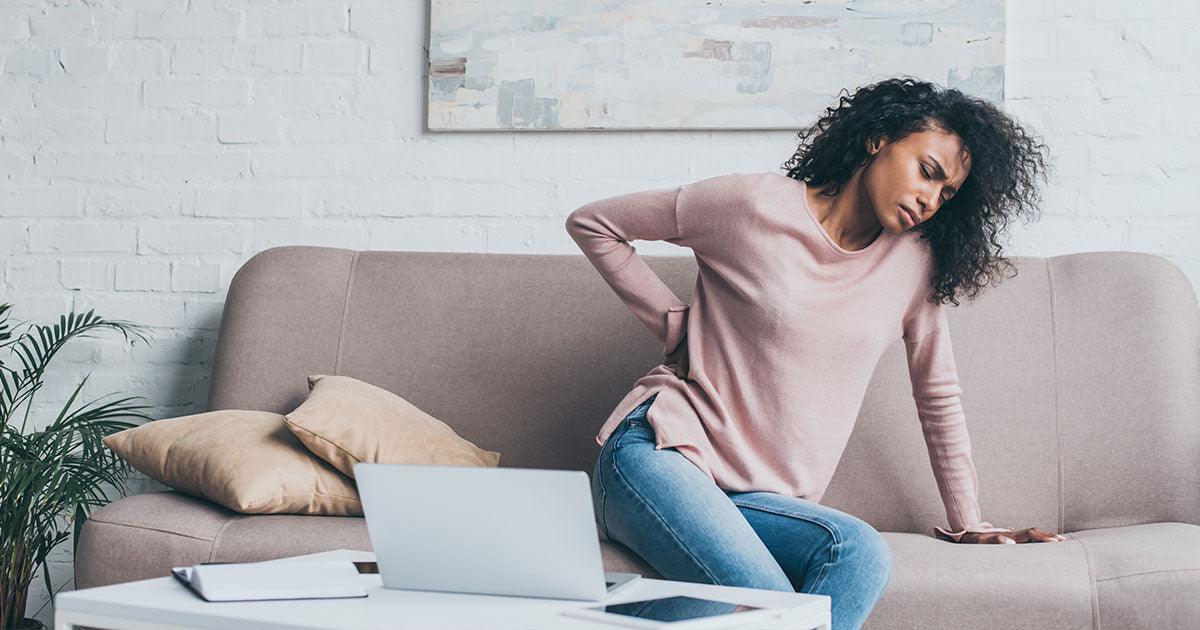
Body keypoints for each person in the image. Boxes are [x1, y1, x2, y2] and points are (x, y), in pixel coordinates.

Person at [565, 77, 1061, 629]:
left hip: (756, 498)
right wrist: (676, 323)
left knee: (860, 552)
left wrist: (967, 520)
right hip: (661, 451)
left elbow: (937, 393)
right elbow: (595, 223)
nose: (930, 199)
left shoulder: (914, 265)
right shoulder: (750, 205)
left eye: (946, 195)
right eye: (928, 172)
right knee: (762, 598)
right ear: (878, 139)